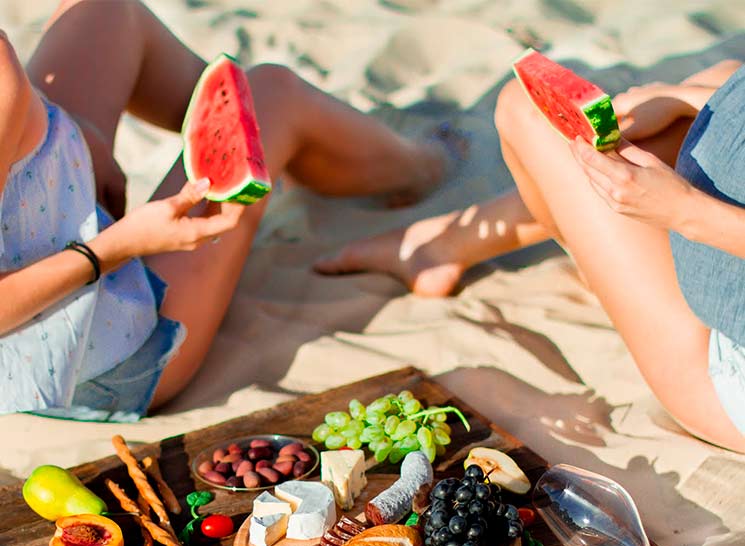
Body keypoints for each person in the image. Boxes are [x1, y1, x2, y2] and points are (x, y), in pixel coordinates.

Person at [0, 0, 458, 422]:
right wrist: (119, 246)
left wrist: (69, 136)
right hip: (95, 365)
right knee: (272, 94)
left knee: (106, 10)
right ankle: (418, 168)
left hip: (56, 233)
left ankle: (279, 151)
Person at [315, 58, 745, 452]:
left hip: (724, 373)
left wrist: (684, 211)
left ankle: (450, 247)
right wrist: (695, 99)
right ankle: (448, 245)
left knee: (526, 111)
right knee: (717, 84)